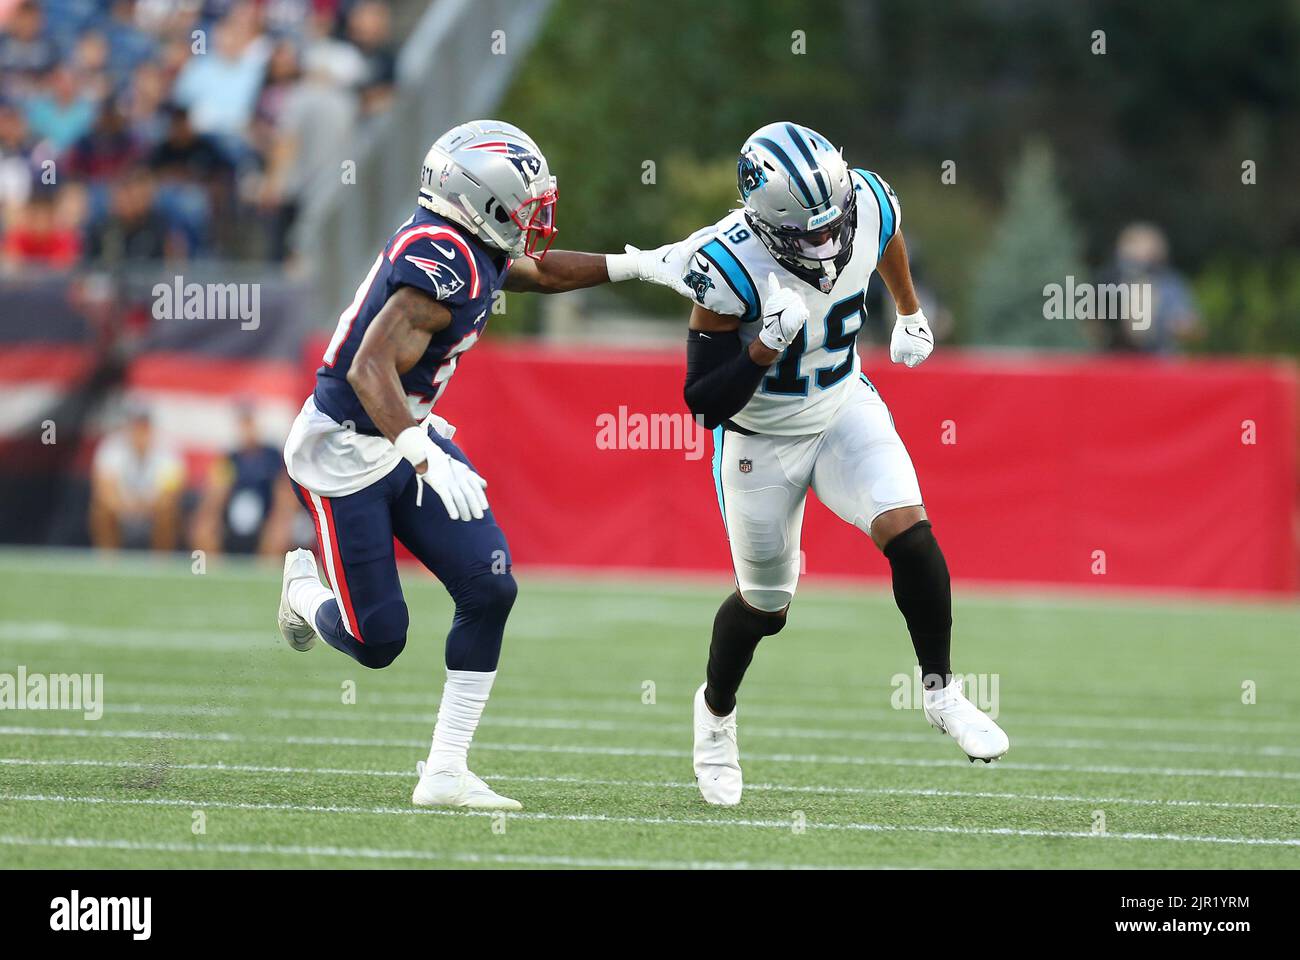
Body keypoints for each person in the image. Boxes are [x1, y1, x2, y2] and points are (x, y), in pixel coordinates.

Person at [275, 119, 696, 809]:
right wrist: (420, 453)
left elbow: (532, 271)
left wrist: (635, 263)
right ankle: (301, 590)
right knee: (378, 641)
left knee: (490, 587)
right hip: (346, 449)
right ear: (481, 200)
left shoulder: (473, 243)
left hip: (404, 432)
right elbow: (366, 366)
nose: (535, 220)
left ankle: (444, 771)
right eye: (525, 206)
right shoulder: (439, 259)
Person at [675, 122, 1009, 805]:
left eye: (835, 224)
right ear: (763, 222)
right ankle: (714, 714)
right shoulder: (727, 262)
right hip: (759, 436)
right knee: (766, 608)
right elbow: (705, 401)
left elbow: (882, 233)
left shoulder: (869, 199)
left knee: (911, 533)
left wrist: (908, 309)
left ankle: (942, 693)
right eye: (807, 233)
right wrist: (763, 348)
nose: (827, 244)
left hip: (840, 406)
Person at [191, 403, 297, 557]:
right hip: (230, 523)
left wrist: (278, 520)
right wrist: (210, 518)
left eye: (250, 423)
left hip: (265, 522)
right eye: (243, 424)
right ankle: (212, 575)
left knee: (279, 531)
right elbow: (216, 494)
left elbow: (283, 493)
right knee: (203, 529)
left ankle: (266, 575)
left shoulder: (271, 457)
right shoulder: (230, 459)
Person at [89, 404, 183, 551]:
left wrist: (146, 507)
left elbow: (170, 493)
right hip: (122, 507)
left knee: (168, 510)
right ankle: (108, 560)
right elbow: (104, 489)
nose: (140, 433)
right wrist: (125, 507)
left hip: (152, 508)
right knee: (101, 509)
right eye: (136, 427)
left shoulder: (167, 449)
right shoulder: (112, 447)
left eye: (144, 427)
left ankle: (161, 563)